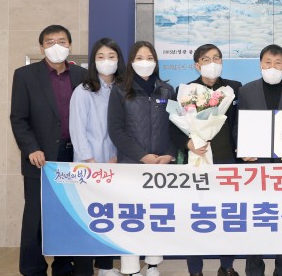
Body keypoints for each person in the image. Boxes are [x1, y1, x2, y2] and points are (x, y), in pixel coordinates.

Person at [10, 25, 87, 276]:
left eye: (62, 41)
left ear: (70, 45)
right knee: (36, 216)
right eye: (50, 42)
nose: (56, 46)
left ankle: (64, 266)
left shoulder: (82, 75)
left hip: (73, 157)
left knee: (68, 214)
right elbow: (18, 118)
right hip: (40, 158)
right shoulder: (25, 75)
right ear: (41, 47)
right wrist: (31, 148)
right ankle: (33, 268)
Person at [171, 44, 242, 276]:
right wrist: (188, 144)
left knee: (228, 216)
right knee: (196, 215)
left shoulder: (234, 89)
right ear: (197, 65)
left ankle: (227, 266)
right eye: (206, 59)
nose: (212, 63)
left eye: (217, 58)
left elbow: (240, 124)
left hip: (226, 161)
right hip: (197, 162)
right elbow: (172, 127)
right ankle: (195, 270)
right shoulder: (184, 91)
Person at [108, 41, 176, 276]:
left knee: (156, 215)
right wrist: (142, 156)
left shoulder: (167, 90)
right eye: (139, 58)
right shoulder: (119, 89)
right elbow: (116, 130)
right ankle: (130, 268)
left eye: (149, 57)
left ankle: (153, 264)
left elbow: (175, 127)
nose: (145, 62)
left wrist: (169, 154)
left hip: (161, 166)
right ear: (131, 62)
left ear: (156, 61)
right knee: (132, 216)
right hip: (131, 165)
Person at [236, 44, 282, 276]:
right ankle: (254, 270)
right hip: (255, 167)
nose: (272, 67)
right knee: (255, 220)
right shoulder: (246, 91)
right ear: (260, 64)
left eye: (277, 63)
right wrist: (242, 148)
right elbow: (238, 126)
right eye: (268, 62)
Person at [69, 37, 126, 276]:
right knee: (86, 218)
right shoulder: (83, 91)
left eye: (111, 56)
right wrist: (90, 162)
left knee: (108, 217)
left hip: (114, 164)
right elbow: (77, 130)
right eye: (101, 57)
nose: (106, 61)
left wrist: (118, 157)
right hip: (89, 166)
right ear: (93, 61)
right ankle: (83, 270)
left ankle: (105, 266)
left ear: (119, 60)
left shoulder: (123, 90)